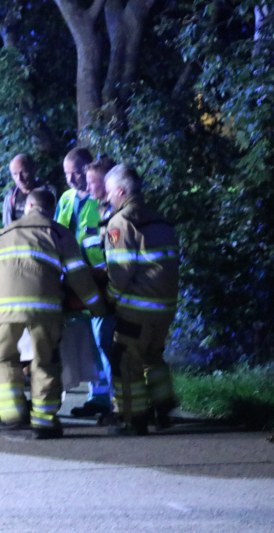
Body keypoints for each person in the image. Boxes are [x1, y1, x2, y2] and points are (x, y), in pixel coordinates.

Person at [0, 188, 106, 439]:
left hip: (5, 310)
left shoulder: (3, 233)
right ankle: (44, 422)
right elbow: (80, 277)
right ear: (51, 210)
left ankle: (12, 414)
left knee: (3, 358)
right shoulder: (59, 234)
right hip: (44, 309)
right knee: (45, 362)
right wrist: (98, 307)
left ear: (28, 207)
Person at [103, 164, 180, 436]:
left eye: (109, 192)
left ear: (121, 191)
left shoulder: (121, 222)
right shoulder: (160, 219)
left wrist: (108, 299)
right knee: (153, 356)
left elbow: (120, 273)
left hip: (137, 308)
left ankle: (132, 419)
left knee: (127, 361)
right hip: (165, 307)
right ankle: (163, 406)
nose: (106, 198)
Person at [55, 148, 113, 419]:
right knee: (89, 342)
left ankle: (108, 398)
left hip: (100, 279)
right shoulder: (66, 199)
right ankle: (97, 396)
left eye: (76, 171)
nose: (71, 178)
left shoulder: (100, 198)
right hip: (73, 281)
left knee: (103, 339)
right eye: (67, 173)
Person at [1, 154, 56, 226]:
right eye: (15, 174)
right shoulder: (10, 195)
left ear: (33, 170)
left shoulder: (48, 192)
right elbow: (6, 224)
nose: (19, 179)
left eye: (23, 172)